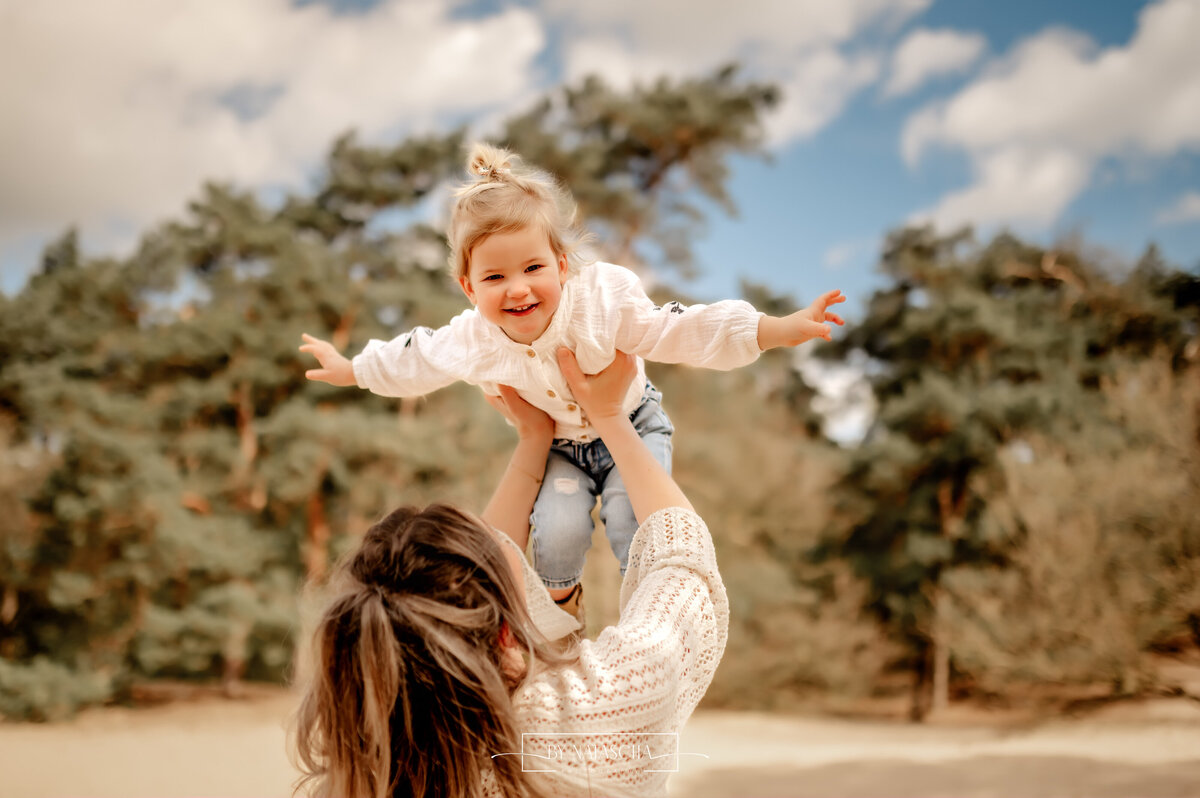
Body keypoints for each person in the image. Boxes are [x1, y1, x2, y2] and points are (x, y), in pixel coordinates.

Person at [299, 142, 844, 619]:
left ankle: (648, 624)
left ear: (562, 265)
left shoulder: (601, 303)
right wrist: (353, 369)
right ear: (468, 287)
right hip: (561, 448)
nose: (517, 289)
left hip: (633, 423)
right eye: (494, 277)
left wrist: (773, 329)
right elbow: (414, 357)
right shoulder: (472, 339)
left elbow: (681, 328)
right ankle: (562, 616)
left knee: (636, 522)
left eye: (533, 268)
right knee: (557, 531)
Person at [292, 349, 727, 798]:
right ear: (504, 634)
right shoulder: (588, 715)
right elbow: (682, 568)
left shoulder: (366, 762)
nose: (509, 539)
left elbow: (464, 594)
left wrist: (534, 441)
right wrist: (611, 417)